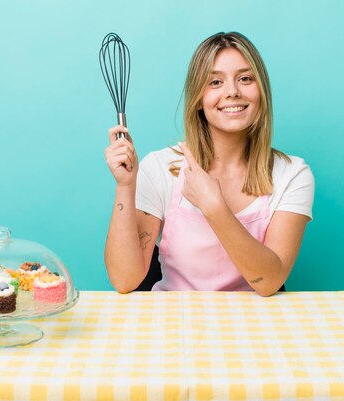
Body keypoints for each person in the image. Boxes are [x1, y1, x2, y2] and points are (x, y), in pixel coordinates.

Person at [104, 32, 314, 296]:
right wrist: (125, 186)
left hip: (256, 328)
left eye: (245, 79)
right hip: (174, 323)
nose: (232, 92)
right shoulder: (160, 167)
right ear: (198, 99)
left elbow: (269, 282)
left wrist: (214, 207)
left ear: (261, 90)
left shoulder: (292, 174)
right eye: (215, 82)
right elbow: (125, 280)